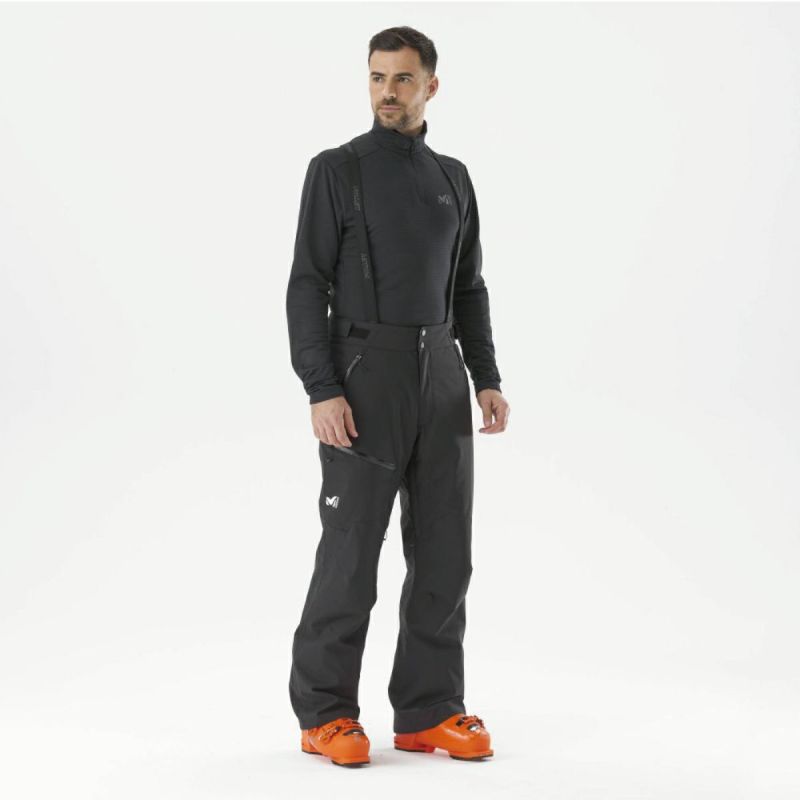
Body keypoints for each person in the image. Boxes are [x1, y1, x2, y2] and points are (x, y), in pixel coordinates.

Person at [285, 26, 510, 768]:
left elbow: (468, 287)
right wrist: (322, 387)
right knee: (351, 550)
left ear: (430, 87)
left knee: (446, 550)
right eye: (378, 77)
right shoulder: (337, 170)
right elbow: (307, 284)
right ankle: (325, 714)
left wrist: (485, 376)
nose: (388, 91)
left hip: (441, 374)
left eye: (403, 78)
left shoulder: (453, 178)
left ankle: (429, 710)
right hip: (365, 375)